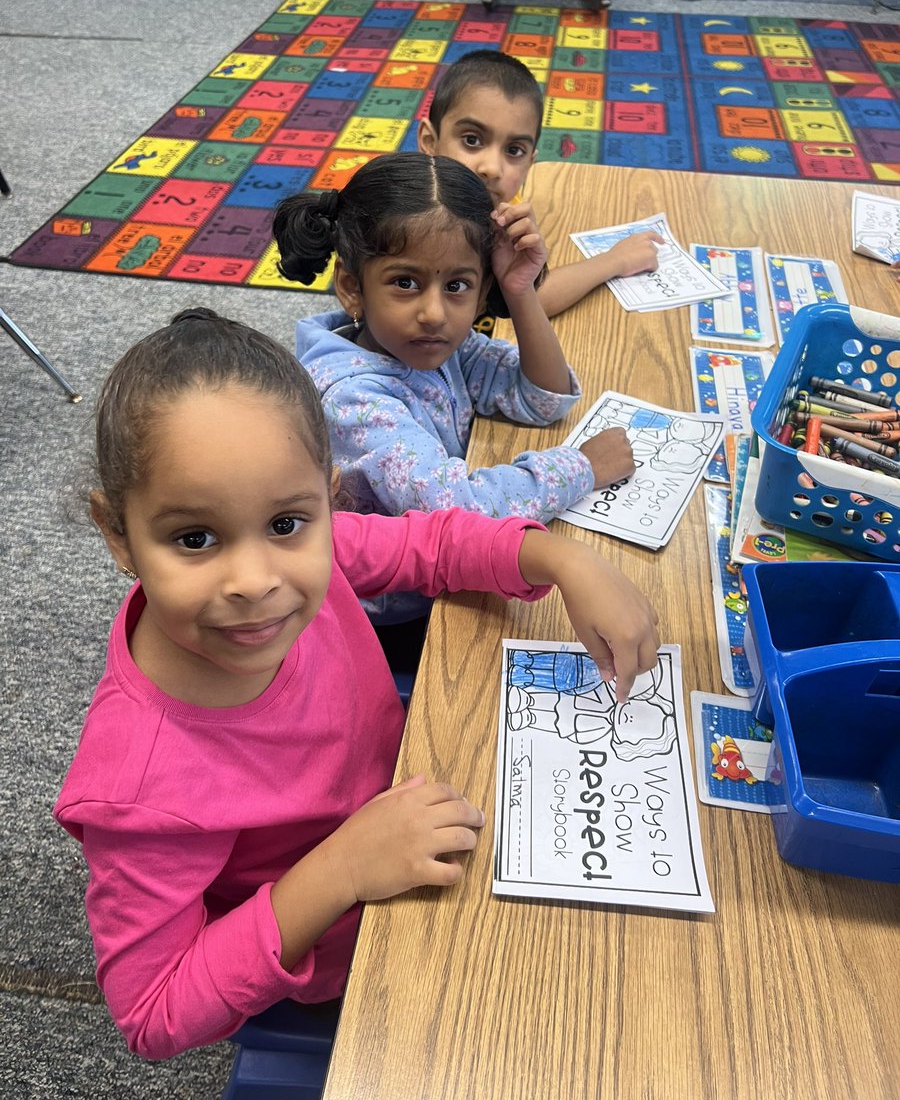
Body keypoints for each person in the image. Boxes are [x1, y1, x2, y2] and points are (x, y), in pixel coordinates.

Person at [53, 308, 660, 1060]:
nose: (254, 582)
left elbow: (431, 542)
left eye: (285, 524)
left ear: (328, 499)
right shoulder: (137, 787)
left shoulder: (323, 549)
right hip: (363, 934)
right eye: (194, 539)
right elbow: (153, 1013)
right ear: (118, 534)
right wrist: (340, 867)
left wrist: (566, 563)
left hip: (418, 793)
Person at [275, 151, 635, 628]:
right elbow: (463, 517)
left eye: (458, 285)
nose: (435, 312)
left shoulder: (431, 345)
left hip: (437, 580)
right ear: (351, 286)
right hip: (388, 620)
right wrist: (584, 467)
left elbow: (540, 397)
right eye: (405, 282)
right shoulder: (354, 400)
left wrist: (520, 290)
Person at [417, 49, 663, 319]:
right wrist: (615, 261)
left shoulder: (498, 206)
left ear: (530, 162)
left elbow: (523, 291)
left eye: (513, 151)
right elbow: (530, 301)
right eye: (472, 140)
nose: (492, 168)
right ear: (430, 142)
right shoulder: (416, 224)